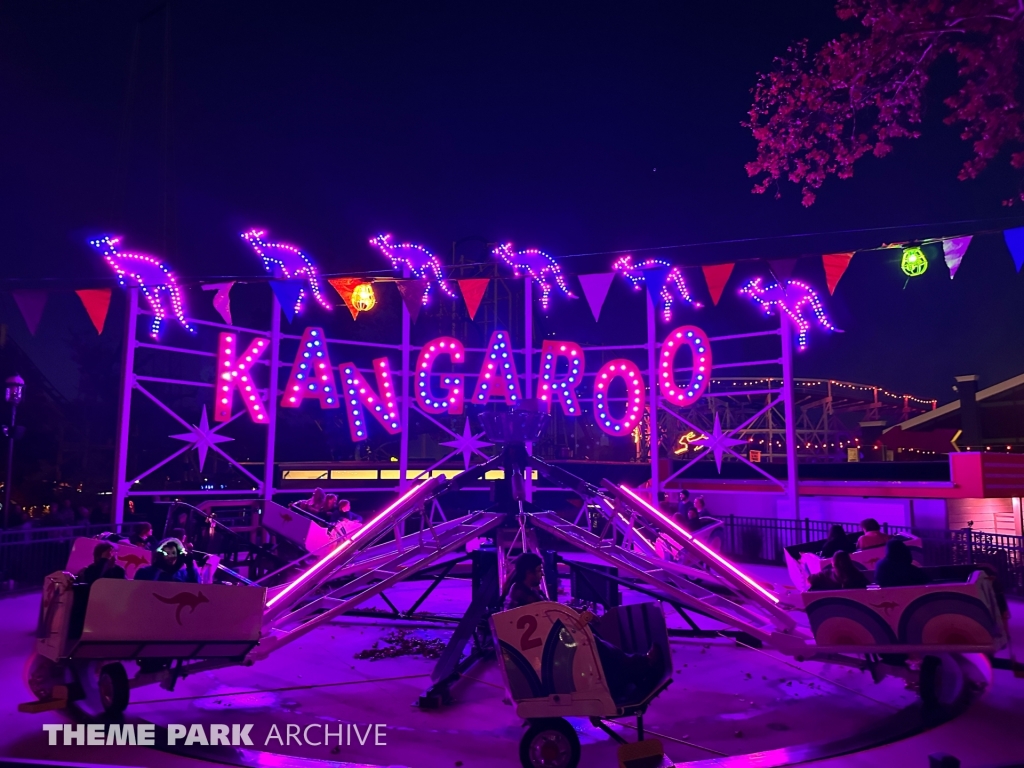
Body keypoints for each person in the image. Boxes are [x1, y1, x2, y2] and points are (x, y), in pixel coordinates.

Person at [501, 553, 665, 703]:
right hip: (541, 648)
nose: (542, 574)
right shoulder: (525, 595)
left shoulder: (522, 589)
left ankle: (629, 672)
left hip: (541, 643)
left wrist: (578, 612)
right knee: (593, 645)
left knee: (593, 640)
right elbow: (550, 612)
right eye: (539, 571)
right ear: (528, 573)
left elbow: (551, 609)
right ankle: (640, 664)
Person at [133, 538, 201, 583]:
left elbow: (196, 589)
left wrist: (190, 566)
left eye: (173, 553)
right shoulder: (145, 572)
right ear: (159, 555)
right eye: (167, 553)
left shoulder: (184, 574)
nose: (171, 556)